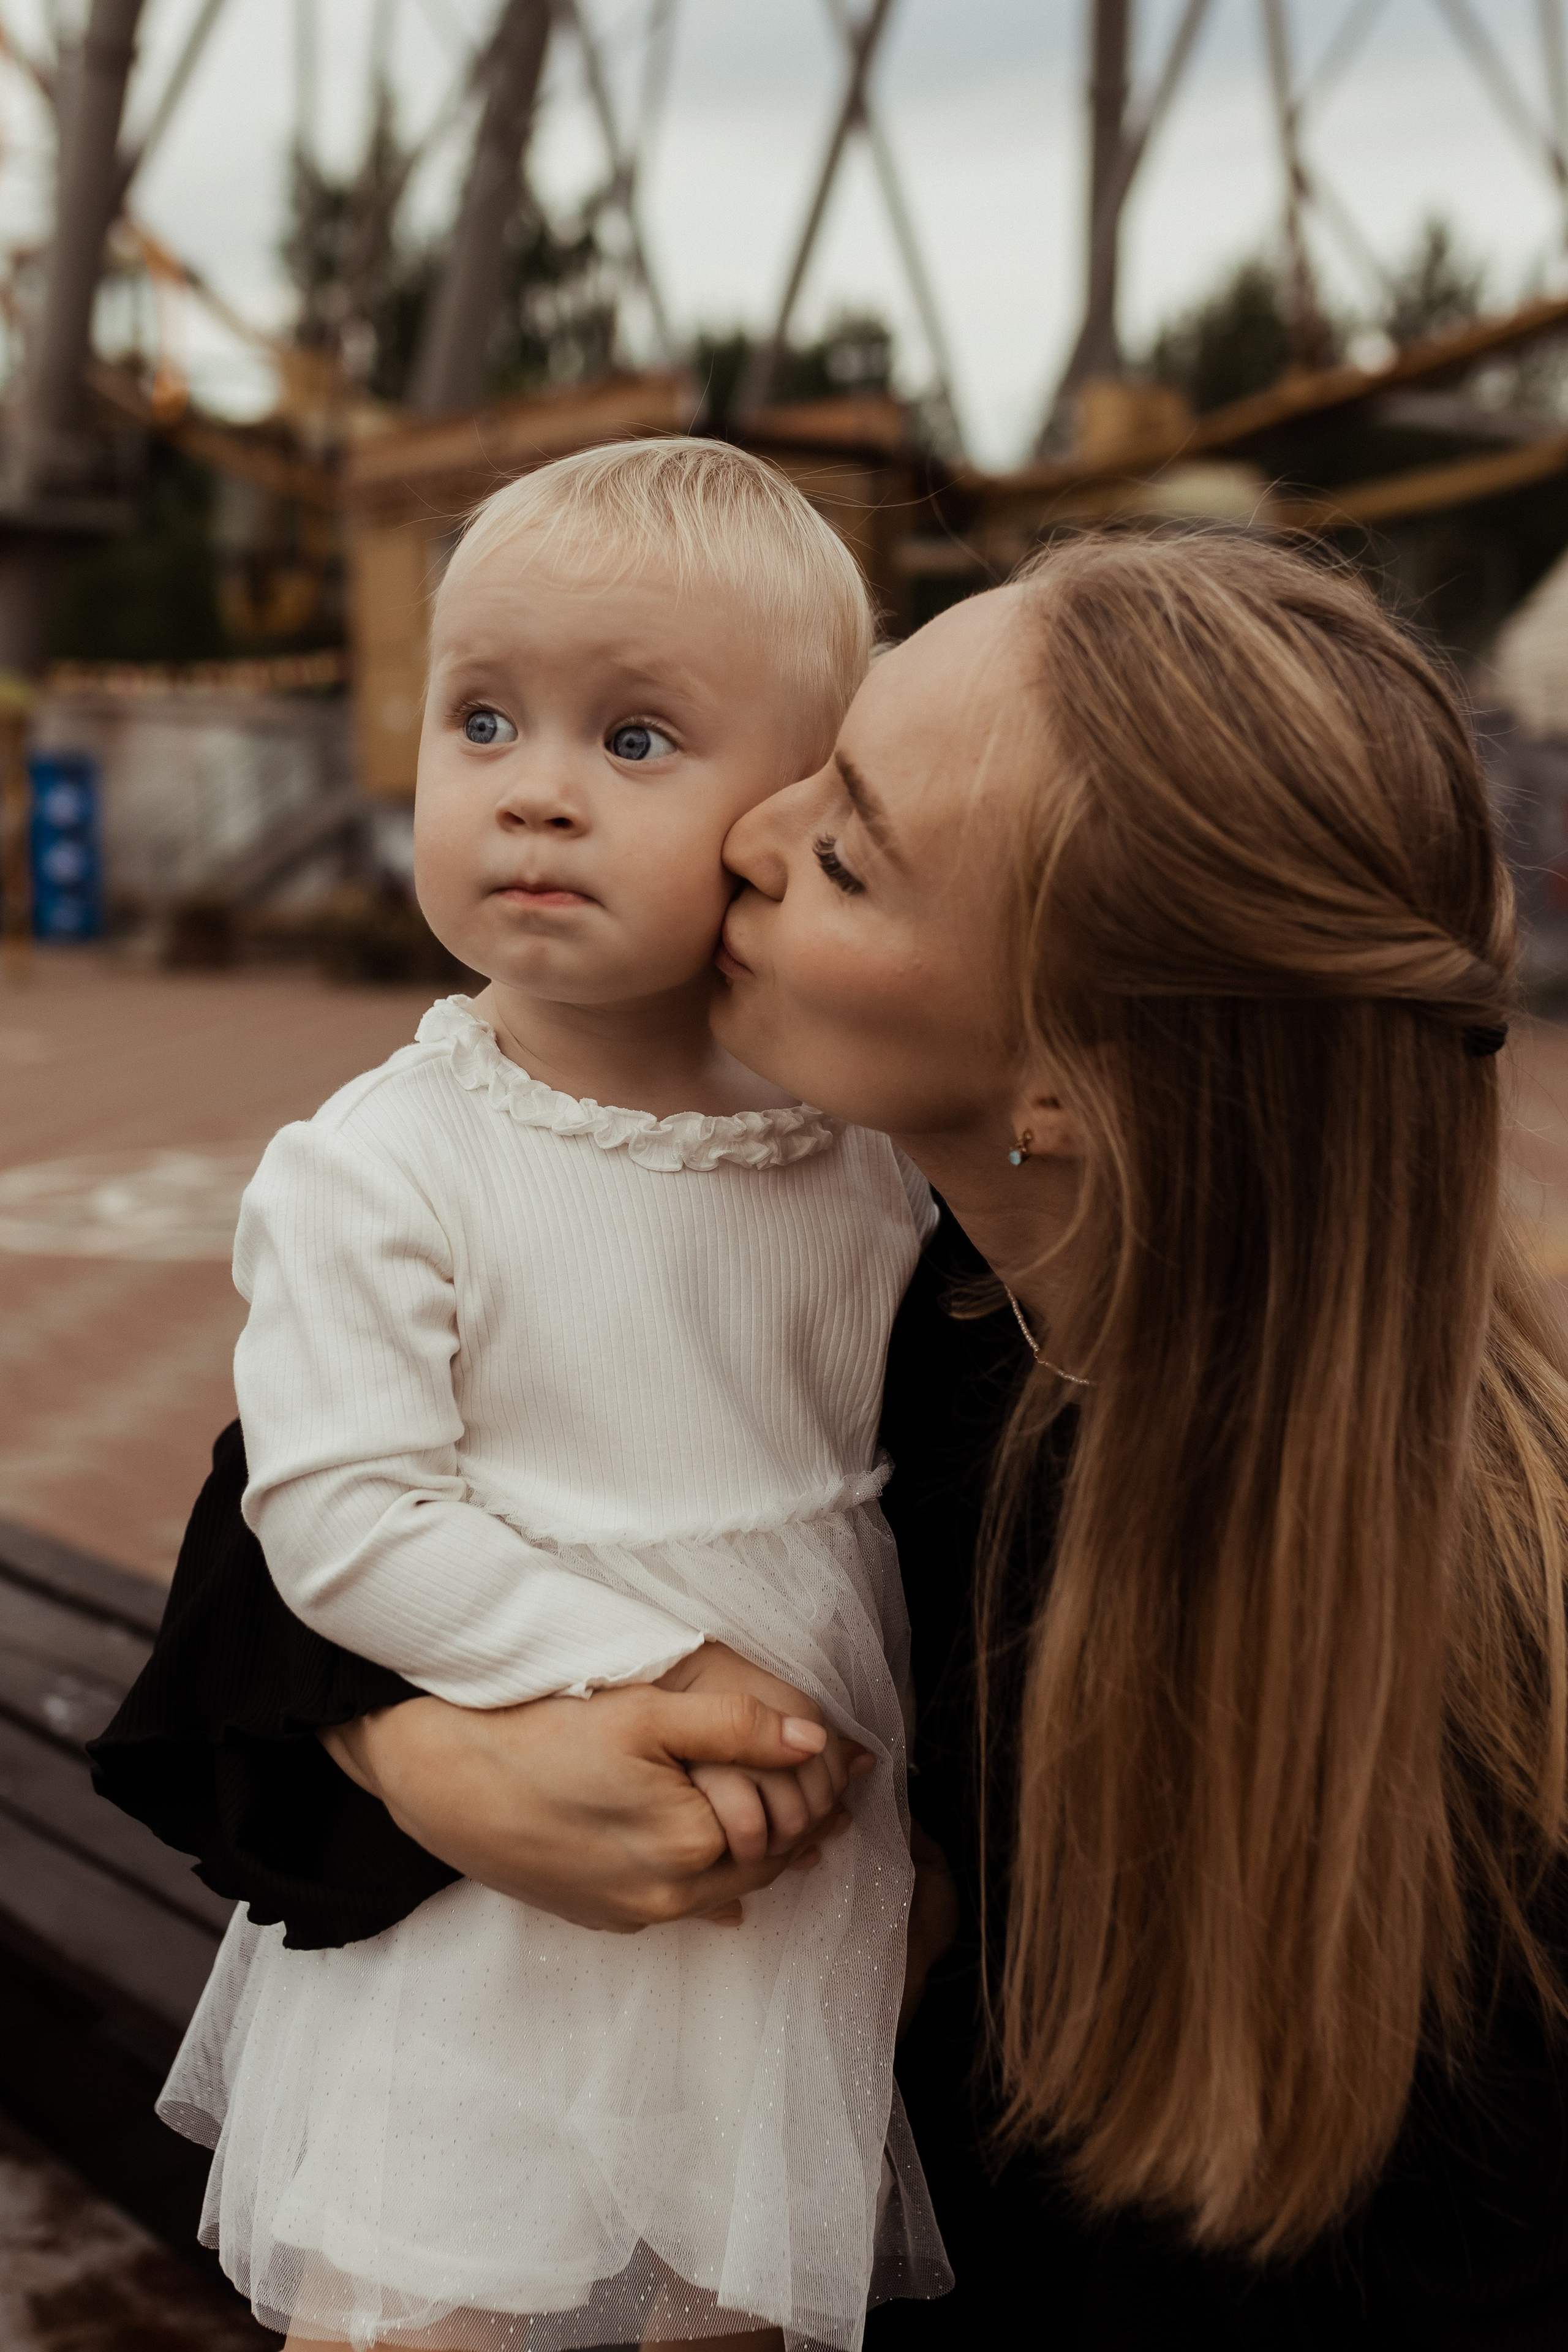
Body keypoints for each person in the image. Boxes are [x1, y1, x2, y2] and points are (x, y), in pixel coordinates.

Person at [97, 525, 1568, 2345]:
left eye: (849, 852)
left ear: (1063, 1084)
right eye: (813, 766)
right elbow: (272, 1524)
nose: (747, 837)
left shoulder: (1459, 1703)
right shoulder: (909, 1271)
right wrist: (427, 1757)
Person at [134, 437, 955, 2352]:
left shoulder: (859, 1157)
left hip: (803, 1874)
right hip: (505, 1890)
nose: (539, 796)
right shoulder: (384, 1160)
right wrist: (644, 1668)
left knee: (733, 2290)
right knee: (434, 2294)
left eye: (637, 742)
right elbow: (341, 1516)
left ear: (797, 811)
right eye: (483, 721)